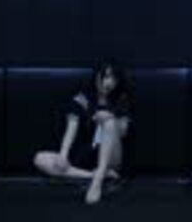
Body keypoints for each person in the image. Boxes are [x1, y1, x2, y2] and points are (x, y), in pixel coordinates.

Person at [33, 61, 131, 205]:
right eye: (105, 77)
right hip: (85, 157)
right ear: (97, 76)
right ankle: (93, 176)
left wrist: (110, 118)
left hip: (111, 158)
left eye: (114, 79)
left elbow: (123, 131)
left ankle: (98, 180)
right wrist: (63, 155)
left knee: (109, 123)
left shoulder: (121, 99)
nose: (109, 82)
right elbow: (71, 127)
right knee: (39, 159)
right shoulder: (83, 98)